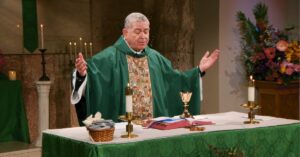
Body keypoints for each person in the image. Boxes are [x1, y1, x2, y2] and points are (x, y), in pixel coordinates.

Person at [71, 12, 219, 124]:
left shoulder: (155, 58)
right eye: (137, 31)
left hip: (153, 127)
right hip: (123, 129)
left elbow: (176, 79)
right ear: (125, 33)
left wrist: (198, 70)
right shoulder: (109, 57)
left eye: (146, 31)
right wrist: (82, 74)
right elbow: (91, 77)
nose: (143, 36)